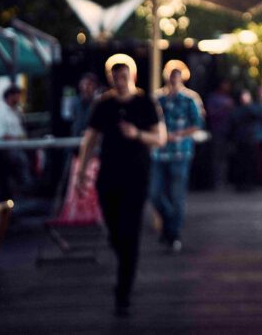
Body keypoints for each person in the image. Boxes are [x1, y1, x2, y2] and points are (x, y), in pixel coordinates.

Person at [75, 55, 166, 316]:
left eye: (124, 77)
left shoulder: (145, 103)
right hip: (109, 176)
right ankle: (126, 260)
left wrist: (137, 134)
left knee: (131, 231)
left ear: (132, 77)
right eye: (116, 77)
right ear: (110, 79)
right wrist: (81, 172)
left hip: (136, 176)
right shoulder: (104, 105)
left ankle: (123, 292)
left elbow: (160, 138)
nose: (121, 81)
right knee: (115, 231)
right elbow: (90, 138)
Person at [150, 63, 203, 253]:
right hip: (159, 153)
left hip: (180, 153)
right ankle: (169, 226)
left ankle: (173, 233)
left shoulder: (190, 99)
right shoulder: (157, 98)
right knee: (155, 194)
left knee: (176, 195)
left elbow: (197, 124)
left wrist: (178, 134)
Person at [0, 84, 31, 200]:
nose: (19, 98)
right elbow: (0, 134)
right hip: (6, 153)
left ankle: (22, 196)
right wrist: (18, 139)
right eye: (17, 95)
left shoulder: (17, 111)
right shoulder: (1, 112)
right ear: (10, 96)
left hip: (18, 150)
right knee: (9, 182)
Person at [229, 90, 259, 192]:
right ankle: (241, 184)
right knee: (240, 163)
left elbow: (257, 115)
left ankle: (249, 183)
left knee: (249, 162)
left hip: (249, 139)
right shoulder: (236, 110)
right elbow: (233, 122)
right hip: (241, 139)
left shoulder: (251, 108)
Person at [206, 79, 234, 187]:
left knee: (225, 157)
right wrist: (224, 107)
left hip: (228, 132)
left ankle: (224, 179)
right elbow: (210, 113)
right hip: (217, 131)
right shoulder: (213, 98)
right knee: (216, 157)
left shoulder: (228, 98)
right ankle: (216, 181)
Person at [71, 73, 100, 137]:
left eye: (89, 84)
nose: (86, 87)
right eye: (84, 84)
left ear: (95, 86)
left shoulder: (99, 103)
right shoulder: (75, 102)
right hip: (76, 140)